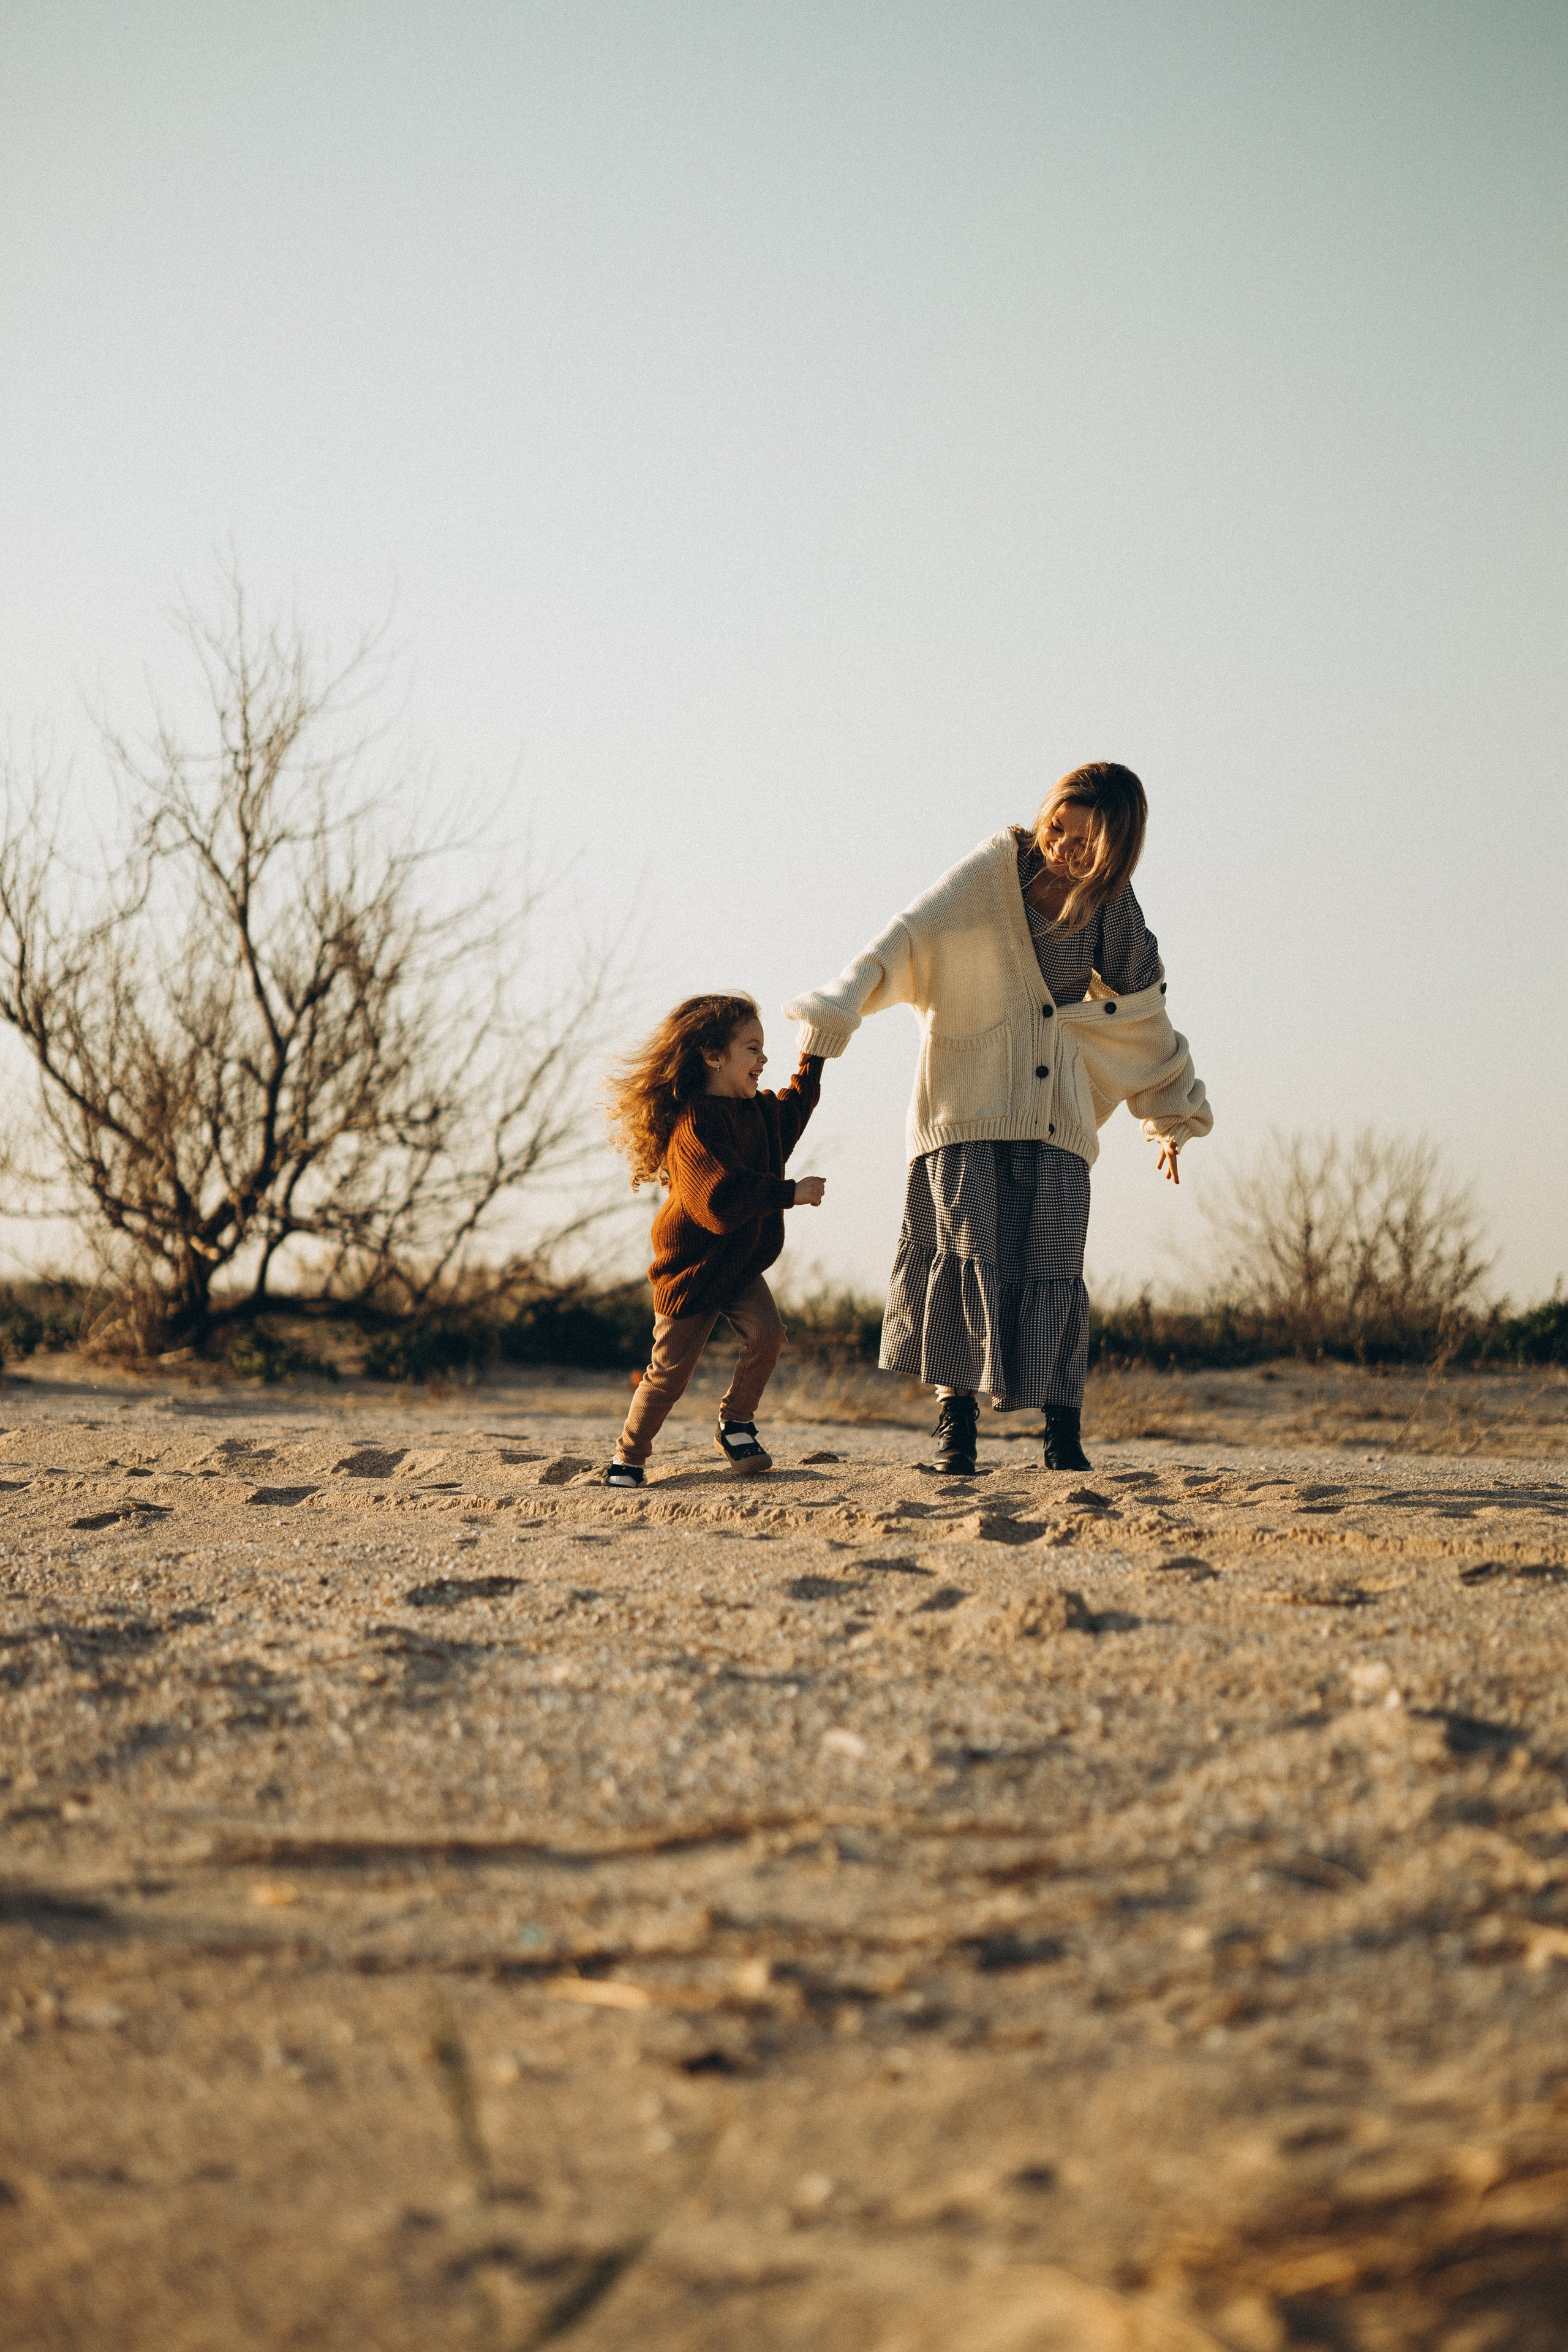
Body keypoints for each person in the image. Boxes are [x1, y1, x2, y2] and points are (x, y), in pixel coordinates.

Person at [783, 763, 1210, 1475]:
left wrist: (1168, 1114)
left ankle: (1062, 1437)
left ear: (1114, 851)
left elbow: (1143, 1008)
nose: (1063, 847)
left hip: (1056, 1116)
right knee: (964, 1260)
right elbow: (903, 940)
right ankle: (956, 1431)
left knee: (1055, 1268)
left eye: (1084, 842)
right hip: (964, 1107)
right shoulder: (989, 872)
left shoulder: (1109, 903)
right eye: (1058, 827)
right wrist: (835, 1011)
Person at [601, 993, 827, 1487]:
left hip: (738, 1262)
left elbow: (794, 1109)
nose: (763, 1059)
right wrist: (789, 1193)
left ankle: (736, 1423)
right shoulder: (695, 1126)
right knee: (668, 1376)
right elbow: (720, 1203)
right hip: (693, 1269)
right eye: (752, 1048)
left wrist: (817, 1050)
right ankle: (628, 1458)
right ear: (713, 1056)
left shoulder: (757, 1112)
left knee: (768, 1336)